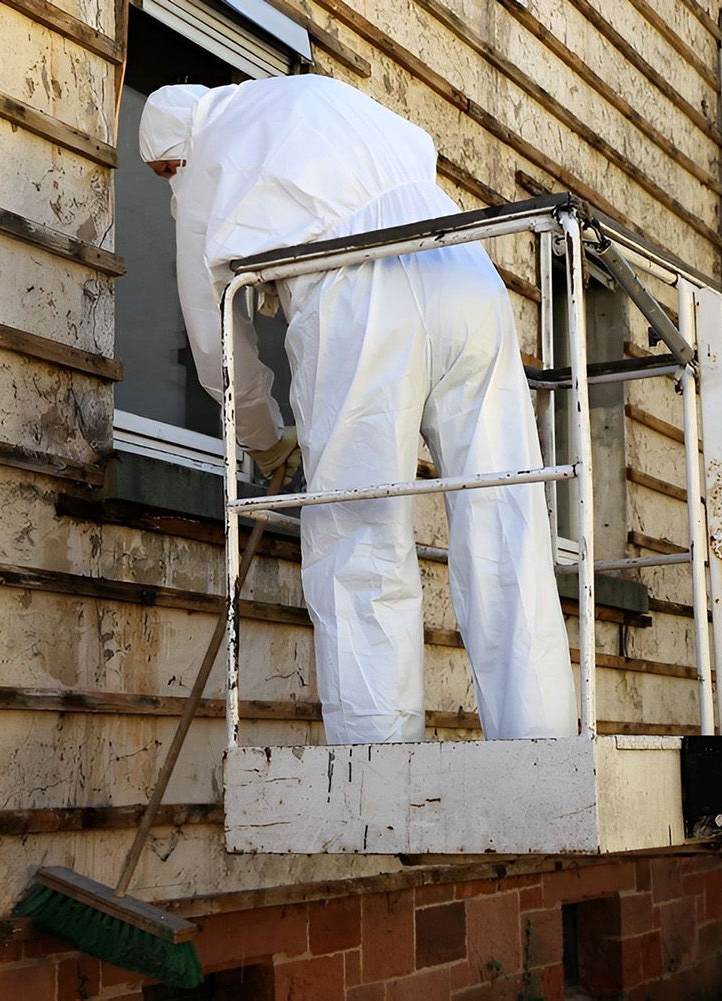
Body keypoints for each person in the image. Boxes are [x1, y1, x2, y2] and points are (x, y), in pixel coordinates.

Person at [138, 76, 576, 744]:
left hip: (361, 288)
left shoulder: (205, 161)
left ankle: (378, 755)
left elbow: (216, 340)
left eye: (166, 171)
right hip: (463, 266)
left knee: (360, 530)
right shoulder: (300, 95)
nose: (171, 182)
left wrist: (264, 440)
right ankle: (542, 739)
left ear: (174, 153)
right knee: (504, 510)